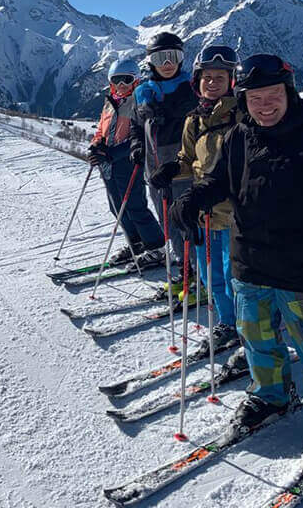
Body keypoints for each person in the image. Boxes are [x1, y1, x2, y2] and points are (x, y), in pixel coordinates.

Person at [168, 53, 303, 460]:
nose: (264, 105)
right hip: (248, 264)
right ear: (243, 99)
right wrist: (193, 199)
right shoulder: (238, 138)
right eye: (255, 97)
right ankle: (272, 396)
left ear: (289, 93)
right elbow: (218, 181)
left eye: (272, 95)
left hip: (301, 267)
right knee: (258, 341)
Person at [153, 45, 242, 347]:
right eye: (207, 77)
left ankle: (248, 328)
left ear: (232, 80)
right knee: (210, 274)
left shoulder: (243, 116)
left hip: (235, 213)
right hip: (204, 212)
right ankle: (227, 323)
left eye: (220, 76)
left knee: (236, 277)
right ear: (198, 80)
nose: (213, 82)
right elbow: (187, 158)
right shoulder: (194, 119)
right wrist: (170, 170)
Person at [129, 32, 197, 273]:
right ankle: (184, 268)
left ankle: (198, 274)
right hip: (154, 174)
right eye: (160, 58)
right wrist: (137, 145)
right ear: (150, 62)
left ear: (181, 59)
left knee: (187, 223)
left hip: (183, 172)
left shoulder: (191, 89)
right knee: (167, 225)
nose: (167, 64)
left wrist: (168, 112)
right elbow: (136, 127)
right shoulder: (142, 93)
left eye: (173, 57)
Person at [88, 59, 165, 265]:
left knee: (134, 206)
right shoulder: (110, 103)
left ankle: (156, 247)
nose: (121, 85)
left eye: (126, 80)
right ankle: (137, 242)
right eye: (116, 80)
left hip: (129, 161)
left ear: (136, 80)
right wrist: (96, 145)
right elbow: (100, 130)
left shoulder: (139, 102)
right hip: (108, 164)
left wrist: (113, 153)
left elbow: (138, 137)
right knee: (116, 207)